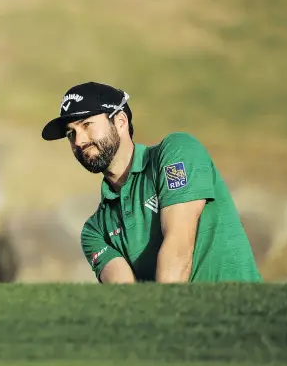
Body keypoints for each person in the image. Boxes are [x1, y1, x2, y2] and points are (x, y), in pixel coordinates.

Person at [41, 81, 262, 283]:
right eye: (71, 134)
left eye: (87, 124)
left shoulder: (177, 152)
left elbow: (178, 250)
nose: (78, 141)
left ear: (120, 121)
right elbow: (128, 296)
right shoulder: (95, 231)